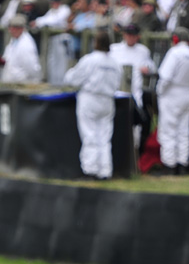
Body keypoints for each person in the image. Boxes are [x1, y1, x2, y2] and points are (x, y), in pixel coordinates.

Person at [64, 29, 122, 180]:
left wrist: (70, 75)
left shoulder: (90, 60)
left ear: (95, 42)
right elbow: (118, 84)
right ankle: (105, 171)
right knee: (104, 136)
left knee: (89, 134)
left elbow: (72, 79)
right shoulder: (115, 63)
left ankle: (90, 170)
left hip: (90, 98)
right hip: (108, 100)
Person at [155, 27, 189, 175]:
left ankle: (169, 165)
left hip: (172, 93)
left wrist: (159, 92)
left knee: (168, 131)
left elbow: (165, 77)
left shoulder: (174, 53)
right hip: (188, 93)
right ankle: (183, 164)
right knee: (184, 131)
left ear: (175, 39)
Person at [110, 23, 156, 150]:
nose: (130, 37)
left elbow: (150, 66)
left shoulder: (143, 51)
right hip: (116, 91)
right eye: (128, 34)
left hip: (135, 92)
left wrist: (147, 68)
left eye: (133, 35)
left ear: (138, 36)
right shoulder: (114, 49)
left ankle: (134, 152)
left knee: (135, 123)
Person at [0, 14, 41, 84]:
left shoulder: (26, 45)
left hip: (22, 84)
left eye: (16, 28)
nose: (12, 30)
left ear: (22, 29)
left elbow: (31, 67)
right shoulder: (13, 40)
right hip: (10, 83)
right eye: (11, 27)